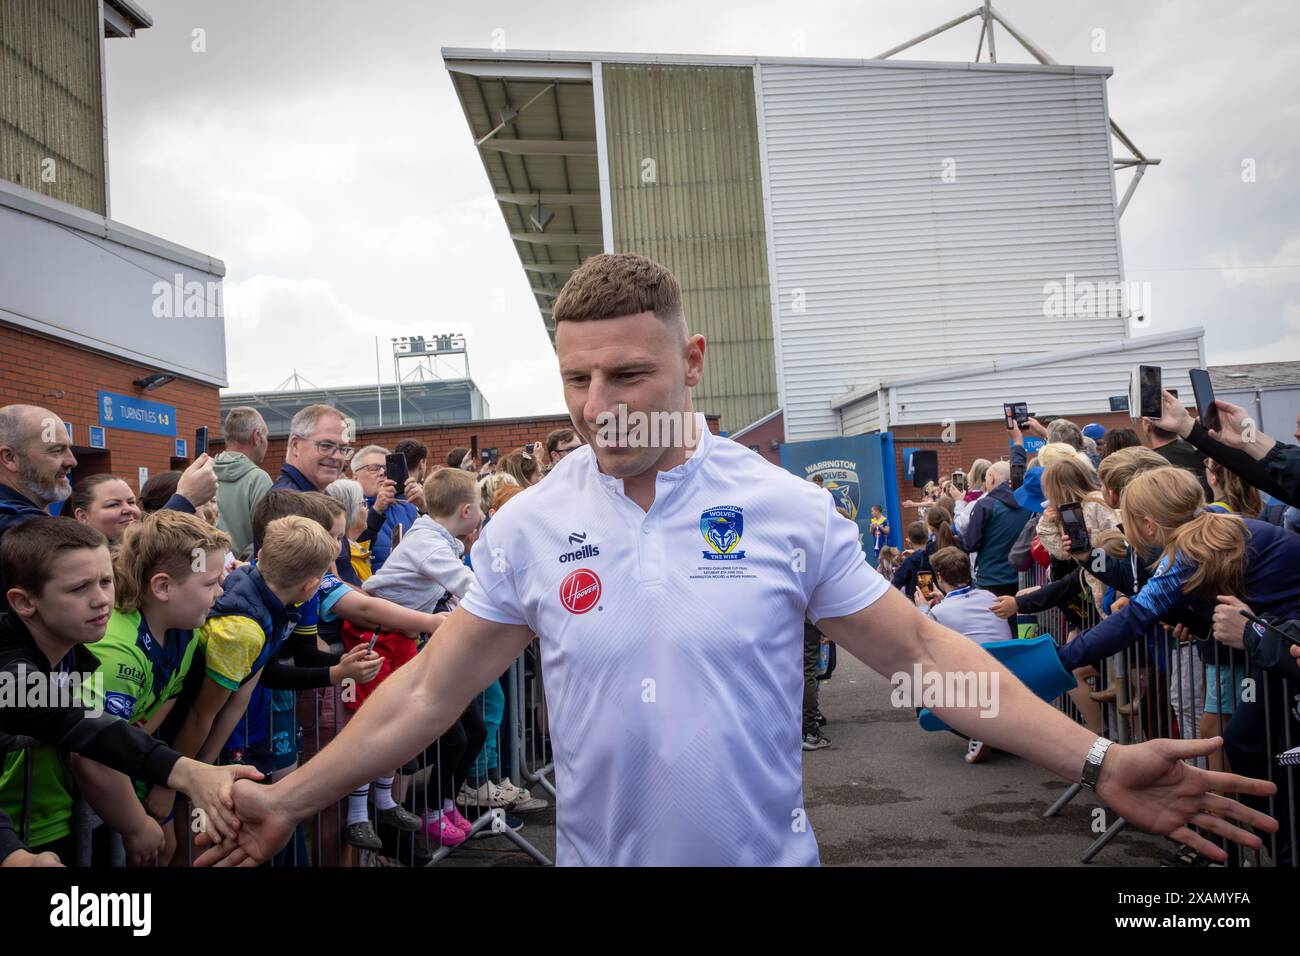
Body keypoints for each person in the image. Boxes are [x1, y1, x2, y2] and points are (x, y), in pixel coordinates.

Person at [195, 252, 1278, 868]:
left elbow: (922, 658)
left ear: (692, 359)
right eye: (576, 378)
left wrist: (1093, 758)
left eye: (628, 375)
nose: (597, 407)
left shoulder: (785, 509)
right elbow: (428, 692)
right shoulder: (529, 525)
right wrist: (291, 794)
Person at [0, 517, 260, 865]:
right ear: (23, 602)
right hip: (33, 825)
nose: (101, 600)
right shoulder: (12, 672)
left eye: (106, 581)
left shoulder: (73, 649)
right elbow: (81, 723)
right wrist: (186, 775)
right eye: (79, 588)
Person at [913, 545, 1013, 763]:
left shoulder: (939, 612)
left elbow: (922, 639)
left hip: (973, 681)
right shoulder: (990, 596)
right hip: (1007, 674)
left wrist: (922, 609)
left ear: (939, 576)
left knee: (917, 689)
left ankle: (980, 730)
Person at [955, 461, 1032, 637]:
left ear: (992, 478)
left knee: (992, 628)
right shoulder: (1026, 504)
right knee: (1017, 628)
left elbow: (971, 543)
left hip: (989, 577)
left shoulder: (985, 505)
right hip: (1021, 577)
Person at [349, 445, 421, 571]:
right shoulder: (349, 510)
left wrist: (425, 508)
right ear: (355, 478)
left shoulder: (408, 506)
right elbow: (354, 549)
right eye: (373, 468)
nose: (382, 472)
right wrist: (377, 510)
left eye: (386, 468)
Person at [213, 406, 273, 558]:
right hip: (245, 569)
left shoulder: (202, 473)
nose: (267, 443)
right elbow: (268, 538)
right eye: (266, 437)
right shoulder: (258, 479)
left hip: (206, 568)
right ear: (256, 436)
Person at [273, 404, 354, 493]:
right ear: (295, 445)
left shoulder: (311, 493)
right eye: (326, 445)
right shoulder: (287, 499)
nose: (337, 456)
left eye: (343, 449)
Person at [69, 474, 141, 547]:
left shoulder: (146, 550)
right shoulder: (71, 553)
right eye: (113, 504)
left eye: (131, 502)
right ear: (83, 517)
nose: (129, 509)